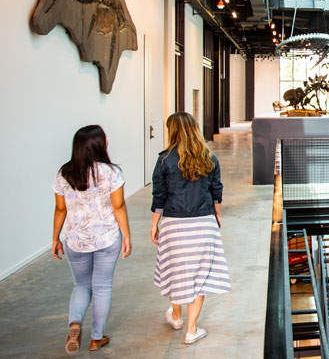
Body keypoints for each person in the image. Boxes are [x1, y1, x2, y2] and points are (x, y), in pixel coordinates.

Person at [150, 112, 230, 344]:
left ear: (172, 131)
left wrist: (155, 224)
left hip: (174, 224)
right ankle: (191, 329)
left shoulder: (164, 159)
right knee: (199, 276)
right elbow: (217, 191)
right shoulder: (209, 157)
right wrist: (216, 216)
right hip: (204, 223)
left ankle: (176, 316)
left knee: (176, 271)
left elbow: (159, 196)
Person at [51, 125, 132, 354]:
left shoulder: (64, 173)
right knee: (102, 287)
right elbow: (118, 205)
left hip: (76, 240)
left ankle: (75, 323)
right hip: (106, 238)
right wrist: (126, 235)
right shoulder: (111, 172)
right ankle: (96, 338)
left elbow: (60, 209)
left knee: (81, 285)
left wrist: (55, 238)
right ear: (98, 143)